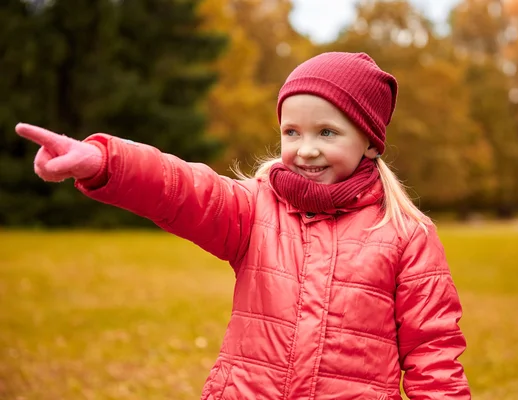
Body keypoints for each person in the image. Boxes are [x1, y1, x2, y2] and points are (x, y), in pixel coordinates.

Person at [15, 52, 471, 399]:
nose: (305, 149)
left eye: (326, 133)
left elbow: (434, 350)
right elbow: (180, 188)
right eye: (292, 132)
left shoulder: (406, 234)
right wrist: (103, 161)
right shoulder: (256, 209)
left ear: (370, 142)